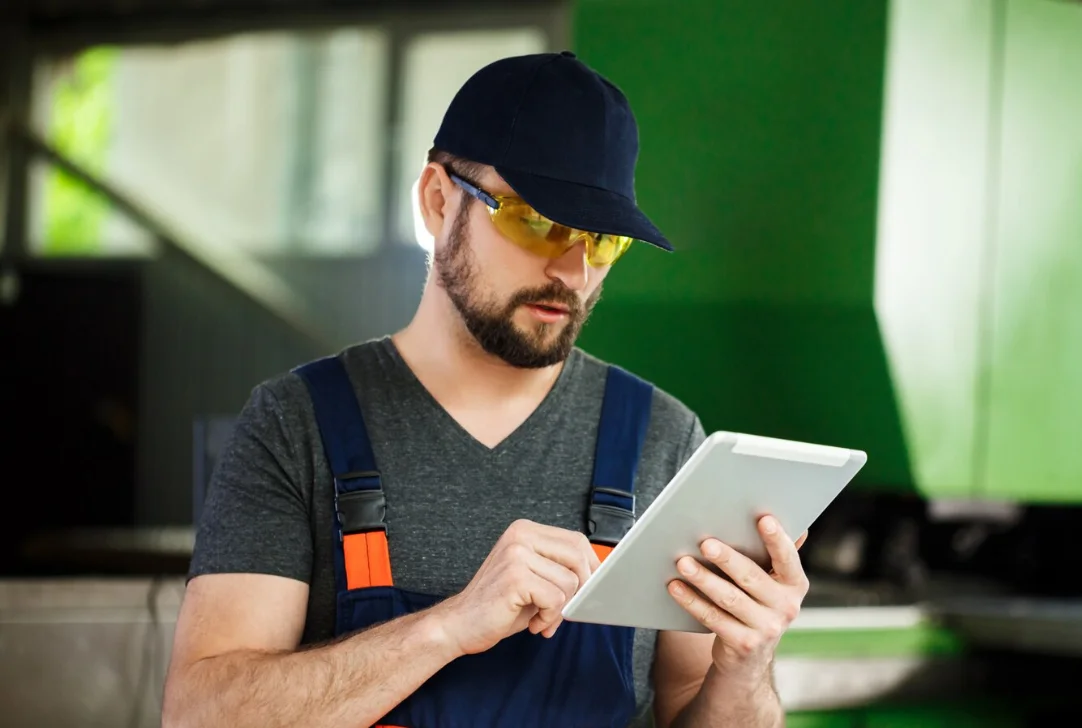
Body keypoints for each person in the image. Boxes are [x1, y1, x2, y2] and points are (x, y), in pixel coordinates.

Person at [162, 51, 809, 728]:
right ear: (438, 200)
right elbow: (200, 715)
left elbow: (690, 710)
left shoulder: (665, 441)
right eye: (536, 222)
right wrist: (449, 628)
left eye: (603, 241)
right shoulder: (298, 426)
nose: (573, 270)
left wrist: (745, 669)